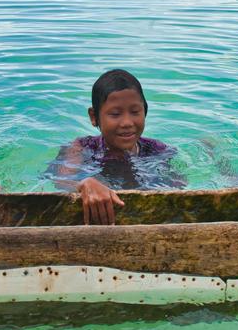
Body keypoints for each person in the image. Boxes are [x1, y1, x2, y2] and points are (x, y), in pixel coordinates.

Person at [51, 69, 183, 225]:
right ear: (94, 117)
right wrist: (84, 183)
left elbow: (178, 185)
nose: (127, 123)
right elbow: (61, 180)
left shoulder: (157, 150)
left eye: (135, 112)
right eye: (115, 114)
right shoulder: (81, 147)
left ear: (145, 111)